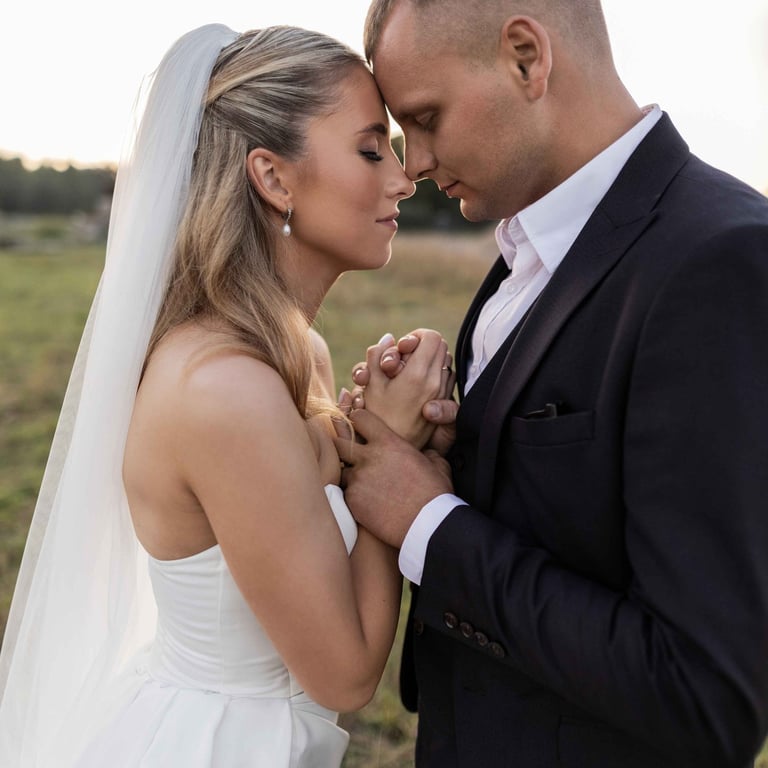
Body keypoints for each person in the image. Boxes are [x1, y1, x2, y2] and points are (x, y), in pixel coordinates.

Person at [0, 23, 453, 768]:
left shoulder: (293, 353)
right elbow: (344, 675)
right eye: (373, 150)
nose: (404, 180)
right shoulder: (223, 388)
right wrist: (391, 452)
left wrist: (371, 434)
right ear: (273, 178)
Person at [335, 1, 768, 767]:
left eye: (426, 119)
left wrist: (428, 522)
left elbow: (705, 694)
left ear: (526, 58)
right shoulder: (528, 249)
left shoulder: (719, 260)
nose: (416, 164)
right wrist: (453, 455)